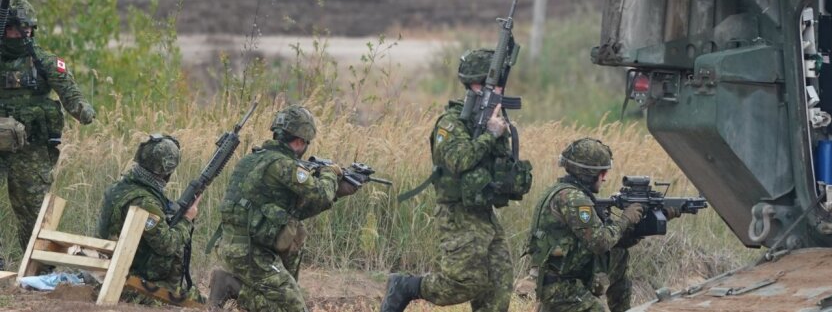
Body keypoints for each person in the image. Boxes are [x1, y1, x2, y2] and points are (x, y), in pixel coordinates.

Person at [381, 49, 532, 312]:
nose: (500, 90)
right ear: (477, 86)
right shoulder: (451, 124)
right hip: (457, 214)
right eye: (495, 84)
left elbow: (498, 169)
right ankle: (406, 286)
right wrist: (489, 135)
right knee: (463, 283)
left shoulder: (486, 121)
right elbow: (459, 160)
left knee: (499, 283)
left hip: (484, 215)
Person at [210, 104, 358, 312]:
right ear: (299, 141)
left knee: (292, 249)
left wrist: (337, 194)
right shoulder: (284, 165)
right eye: (307, 143)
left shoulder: (252, 159)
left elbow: (295, 212)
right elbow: (321, 193)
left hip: (234, 246)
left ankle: (236, 284)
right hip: (252, 254)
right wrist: (330, 173)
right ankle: (230, 286)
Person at [528, 138, 674, 312]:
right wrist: (625, 219)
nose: (604, 179)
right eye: (603, 173)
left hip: (565, 279)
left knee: (618, 254)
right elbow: (600, 242)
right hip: (559, 288)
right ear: (589, 174)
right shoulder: (574, 199)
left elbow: (616, 241)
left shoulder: (565, 191)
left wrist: (659, 216)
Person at [0, 0, 95, 252]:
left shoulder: (44, 62)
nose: (22, 34)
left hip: (30, 149)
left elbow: (70, 93)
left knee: (32, 210)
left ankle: (37, 265)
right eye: (16, 29)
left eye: (27, 29)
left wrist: (83, 110)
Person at [97, 134, 203, 304]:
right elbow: (167, 245)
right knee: (198, 302)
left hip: (110, 269)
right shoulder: (145, 201)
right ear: (167, 169)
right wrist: (187, 219)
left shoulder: (119, 188)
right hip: (133, 282)